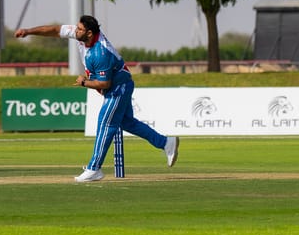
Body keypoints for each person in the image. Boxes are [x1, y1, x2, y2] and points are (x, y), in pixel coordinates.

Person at [15, 15, 179, 182]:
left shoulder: (101, 53)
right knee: (127, 123)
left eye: (79, 29)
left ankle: (94, 168)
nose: (75, 31)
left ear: (90, 33)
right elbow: (56, 30)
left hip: (118, 87)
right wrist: (28, 31)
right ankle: (166, 142)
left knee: (106, 123)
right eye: (77, 28)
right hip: (119, 85)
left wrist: (84, 82)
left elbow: (105, 83)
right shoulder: (82, 34)